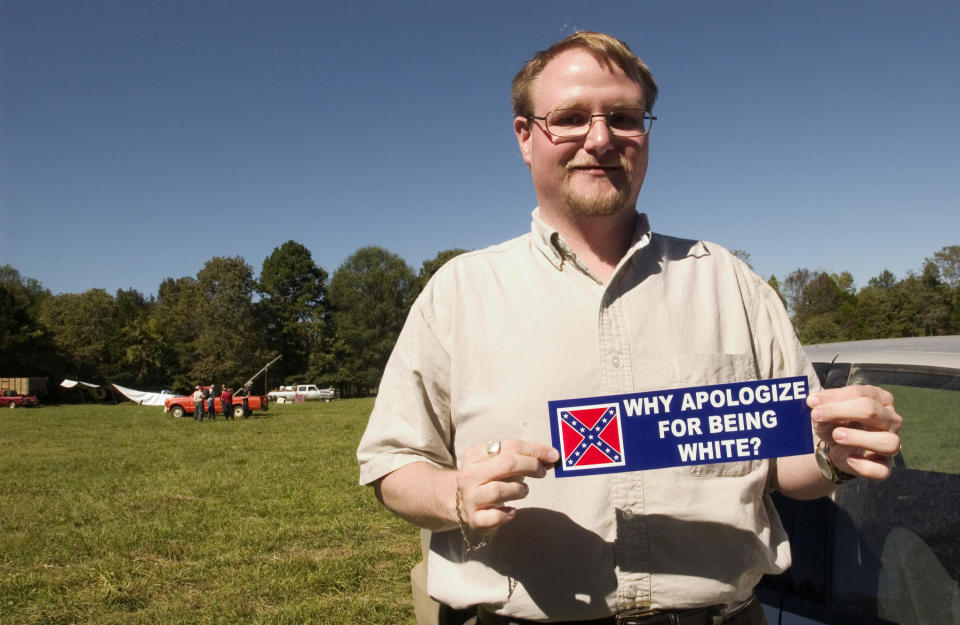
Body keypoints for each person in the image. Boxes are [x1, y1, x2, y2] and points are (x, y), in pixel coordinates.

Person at [357, 31, 902, 625]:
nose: (600, 139)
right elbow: (392, 464)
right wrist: (453, 495)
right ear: (524, 137)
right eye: (568, 118)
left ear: (645, 132)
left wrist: (835, 452)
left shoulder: (730, 283)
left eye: (623, 117)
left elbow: (783, 462)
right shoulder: (459, 292)